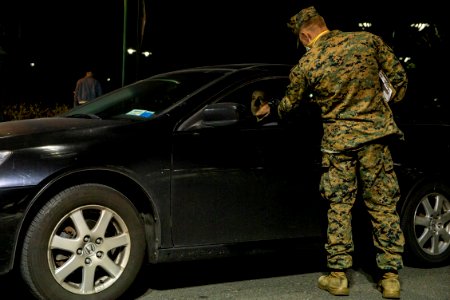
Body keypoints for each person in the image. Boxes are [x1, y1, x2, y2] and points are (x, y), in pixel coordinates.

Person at [278, 6, 408, 299]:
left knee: (339, 207)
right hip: (375, 138)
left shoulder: (308, 63)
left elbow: (289, 105)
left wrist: (269, 108)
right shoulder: (367, 40)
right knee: (383, 204)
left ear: (304, 34)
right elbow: (399, 79)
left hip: (338, 145)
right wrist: (381, 107)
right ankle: (390, 279)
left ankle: (338, 276)